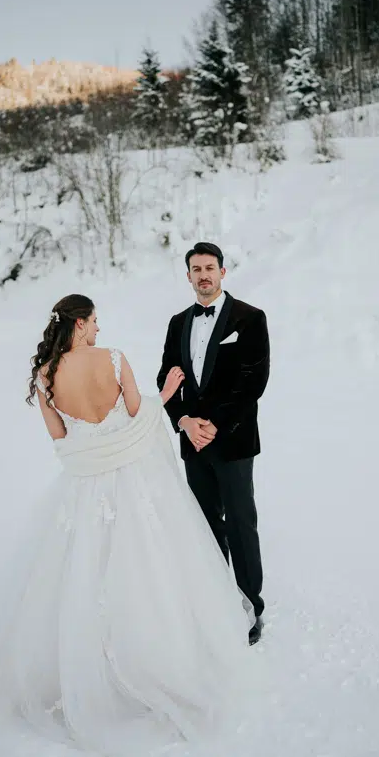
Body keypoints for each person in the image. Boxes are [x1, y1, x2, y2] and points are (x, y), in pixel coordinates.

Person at [0, 293, 254, 756]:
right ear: (80, 323)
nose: (99, 329)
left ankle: (88, 669)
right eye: (95, 321)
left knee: (83, 573)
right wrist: (163, 397)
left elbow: (62, 441)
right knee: (149, 568)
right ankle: (159, 661)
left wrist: (95, 446)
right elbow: (136, 422)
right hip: (132, 482)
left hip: (83, 490)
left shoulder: (44, 378)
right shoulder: (114, 358)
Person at [157, 243, 270, 645]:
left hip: (234, 441)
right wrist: (184, 422)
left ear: (222, 272)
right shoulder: (177, 323)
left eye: (209, 268)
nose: (203, 275)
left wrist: (213, 425)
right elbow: (165, 380)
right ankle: (214, 606)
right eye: (195, 269)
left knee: (241, 526)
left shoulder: (250, 318)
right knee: (205, 528)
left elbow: (253, 382)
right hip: (194, 443)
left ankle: (250, 608)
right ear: (188, 276)